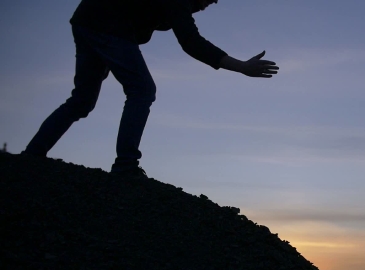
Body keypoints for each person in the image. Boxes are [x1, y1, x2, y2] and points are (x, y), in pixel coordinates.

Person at [22, 0, 279, 177]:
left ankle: (33, 154)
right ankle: (126, 165)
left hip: (88, 20)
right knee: (142, 90)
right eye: (209, 0)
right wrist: (242, 67)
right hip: (105, 24)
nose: (208, 5)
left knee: (82, 100)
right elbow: (191, 42)